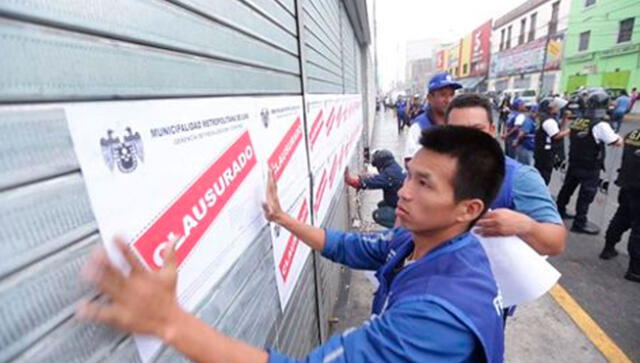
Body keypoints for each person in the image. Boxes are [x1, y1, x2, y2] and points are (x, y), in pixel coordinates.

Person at [77, 126, 507, 363]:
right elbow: (348, 248)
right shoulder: (436, 242)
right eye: (409, 175)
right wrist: (283, 219)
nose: (404, 191)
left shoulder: (434, 318)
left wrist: (169, 321)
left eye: (423, 184)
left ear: (467, 209)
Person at [445, 93, 566, 256]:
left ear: (491, 130)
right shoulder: (433, 170)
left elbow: (556, 243)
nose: (469, 138)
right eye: (458, 131)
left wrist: (527, 226)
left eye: (477, 130)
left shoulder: (520, 178)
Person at [556, 88, 623, 235]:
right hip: (590, 165)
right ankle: (580, 222)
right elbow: (614, 141)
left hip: (575, 162)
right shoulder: (600, 125)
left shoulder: (578, 120)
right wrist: (619, 138)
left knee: (567, 188)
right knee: (586, 194)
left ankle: (558, 211)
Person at [599, 128, 640, 283]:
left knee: (622, 218)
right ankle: (635, 270)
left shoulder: (633, 133)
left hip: (627, 184)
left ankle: (608, 248)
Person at [404, 72, 462, 161]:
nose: (448, 100)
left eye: (451, 95)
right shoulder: (419, 127)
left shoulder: (458, 123)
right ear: (430, 98)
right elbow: (410, 162)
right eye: (443, 95)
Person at [344, 149, 405, 228]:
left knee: (377, 214)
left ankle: (401, 229)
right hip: (402, 203)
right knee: (382, 204)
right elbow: (383, 178)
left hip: (404, 209)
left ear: (380, 163)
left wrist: (355, 182)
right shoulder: (394, 168)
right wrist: (369, 177)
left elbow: (373, 182)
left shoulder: (390, 175)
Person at [534, 97, 571, 185]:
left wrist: (565, 119)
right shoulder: (549, 121)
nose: (558, 109)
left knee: (540, 173)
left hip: (541, 151)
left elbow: (559, 130)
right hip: (546, 153)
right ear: (549, 108)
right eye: (555, 107)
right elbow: (556, 135)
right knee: (544, 176)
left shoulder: (544, 117)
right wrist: (570, 130)